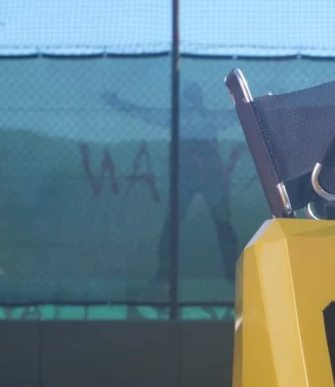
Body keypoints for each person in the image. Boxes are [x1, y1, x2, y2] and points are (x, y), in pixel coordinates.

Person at [103, 82, 241, 282]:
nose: (192, 104)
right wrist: (118, 103)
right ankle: (166, 275)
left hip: (205, 178)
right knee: (186, 225)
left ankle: (230, 274)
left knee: (218, 225)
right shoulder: (187, 118)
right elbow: (147, 114)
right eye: (190, 99)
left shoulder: (200, 118)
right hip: (194, 178)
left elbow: (236, 115)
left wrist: (118, 102)